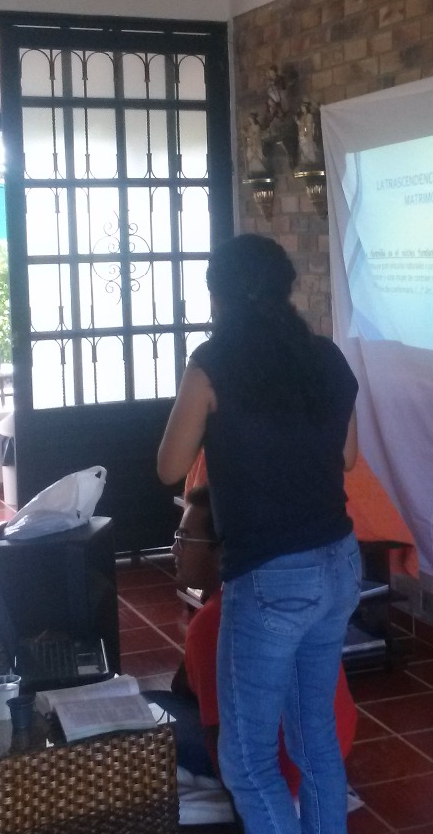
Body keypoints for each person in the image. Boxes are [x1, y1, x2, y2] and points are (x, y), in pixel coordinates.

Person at [157, 234, 361, 834]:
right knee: (314, 738)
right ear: (284, 289)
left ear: (218, 295)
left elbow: (169, 467)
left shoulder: (213, 363)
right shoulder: (326, 357)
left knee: (246, 761)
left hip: (272, 574)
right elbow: (348, 457)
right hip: (338, 563)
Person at [149, 485, 358, 800]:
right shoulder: (288, 590)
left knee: (149, 712)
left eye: (184, 540)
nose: (174, 551)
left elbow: (223, 745)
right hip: (331, 755)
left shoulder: (217, 620)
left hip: (281, 775)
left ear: (223, 551)